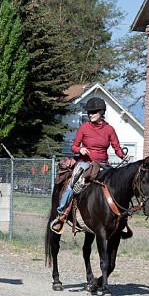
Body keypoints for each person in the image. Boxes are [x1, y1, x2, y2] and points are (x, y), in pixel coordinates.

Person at [50, 97, 129, 234]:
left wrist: (123, 155)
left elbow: (117, 148)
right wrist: (80, 149)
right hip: (85, 163)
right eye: (89, 112)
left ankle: (118, 219)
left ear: (102, 112)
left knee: (117, 186)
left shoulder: (109, 129)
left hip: (104, 165)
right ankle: (61, 214)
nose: (90, 115)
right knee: (71, 185)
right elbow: (74, 146)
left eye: (94, 112)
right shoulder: (84, 128)